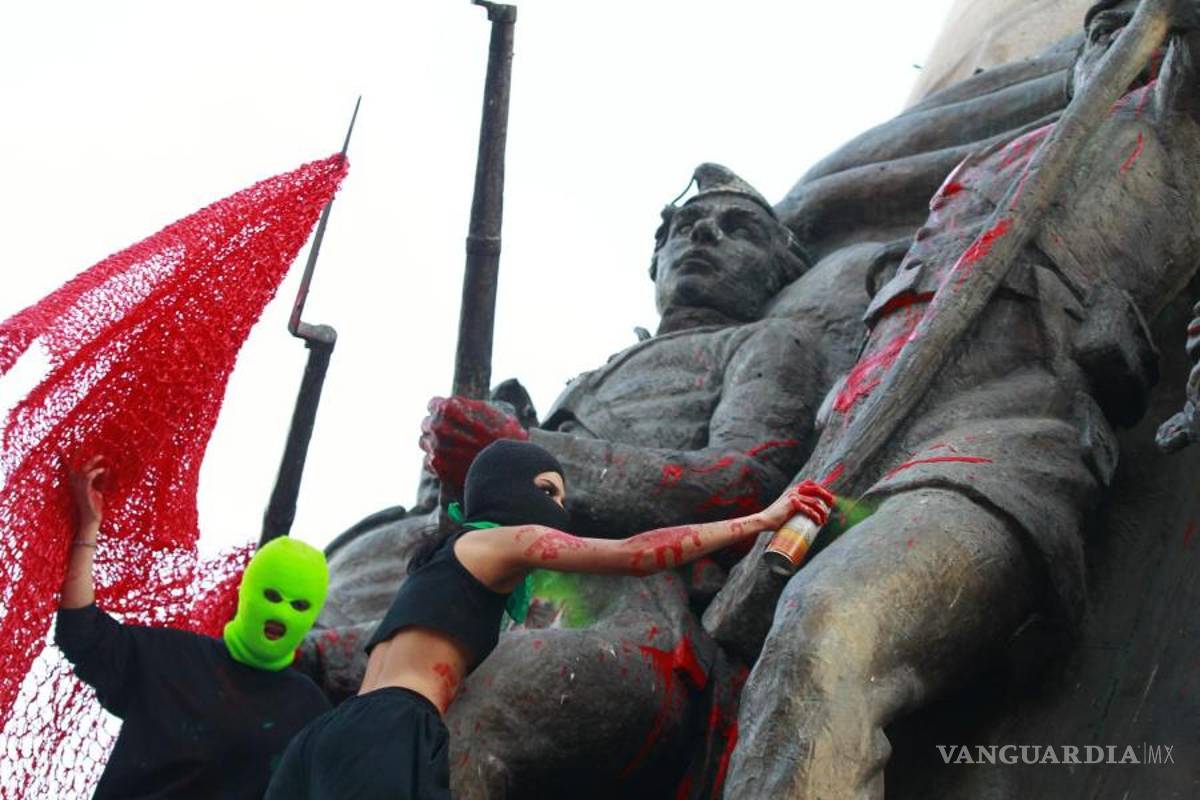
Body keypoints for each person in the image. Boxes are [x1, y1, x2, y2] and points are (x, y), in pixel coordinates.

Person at [709, 1, 1200, 796]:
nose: (1110, 41)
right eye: (1098, 31)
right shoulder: (991, 162)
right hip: (854, 453)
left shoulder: (1177, 119)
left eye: (1129, 25)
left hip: (1002, 441)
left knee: (828, 626)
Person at [266, 438, 833, 799]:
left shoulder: (439, 563)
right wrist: (760, 520)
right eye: (551, 494)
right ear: (516, 492)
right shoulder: (502, 542)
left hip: (328, 734)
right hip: (395, 729)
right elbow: (636, 552)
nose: (559, 512)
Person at [55, 458, 332, 799]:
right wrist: (87, 530)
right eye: (271, 596)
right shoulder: (170, 658)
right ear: (246, 593)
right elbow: (81, 633)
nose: (282, 614)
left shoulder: (311, 711)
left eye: (299, 606)